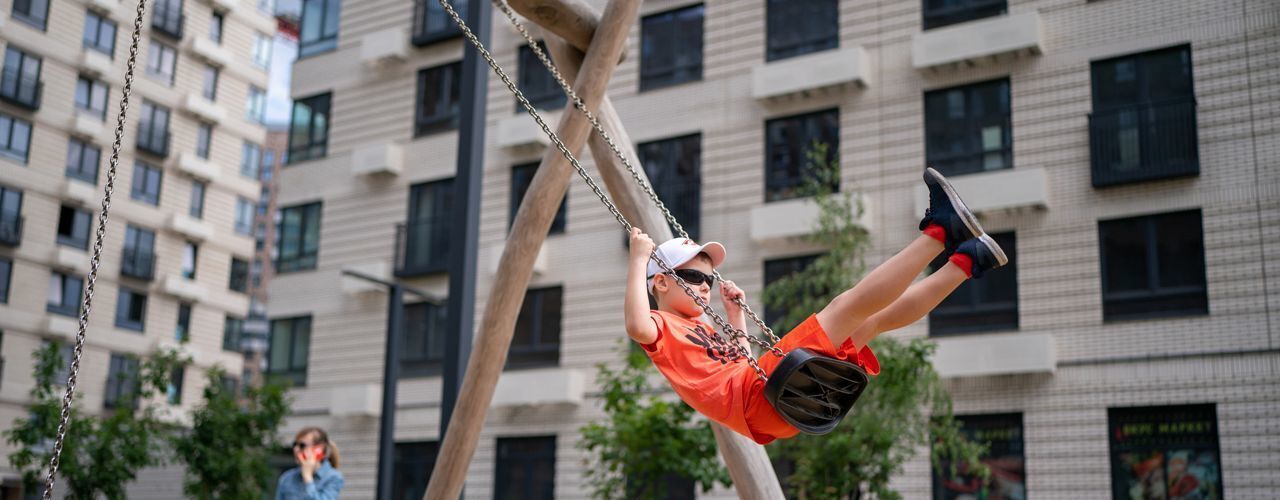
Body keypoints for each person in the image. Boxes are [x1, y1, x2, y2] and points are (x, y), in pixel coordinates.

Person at [624, 168, 1008, 444]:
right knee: (845, 307)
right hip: (758, 398)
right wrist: (638, 259)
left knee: (868, 324)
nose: (704, 288)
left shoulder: (703, 328)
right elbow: (637, 327)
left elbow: (741, 361)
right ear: (660, 281)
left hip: (770, 403)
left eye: (709, 280)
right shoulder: (660, 324)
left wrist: (735, 314)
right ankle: (941, 232)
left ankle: (967, 262)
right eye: (693, 279)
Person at [275, 427, 345, 499]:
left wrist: (308, 478)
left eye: (302, 445)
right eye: (295, 444)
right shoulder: (287, 478)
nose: (296, 449)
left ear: (319, 449)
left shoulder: (333, 477)